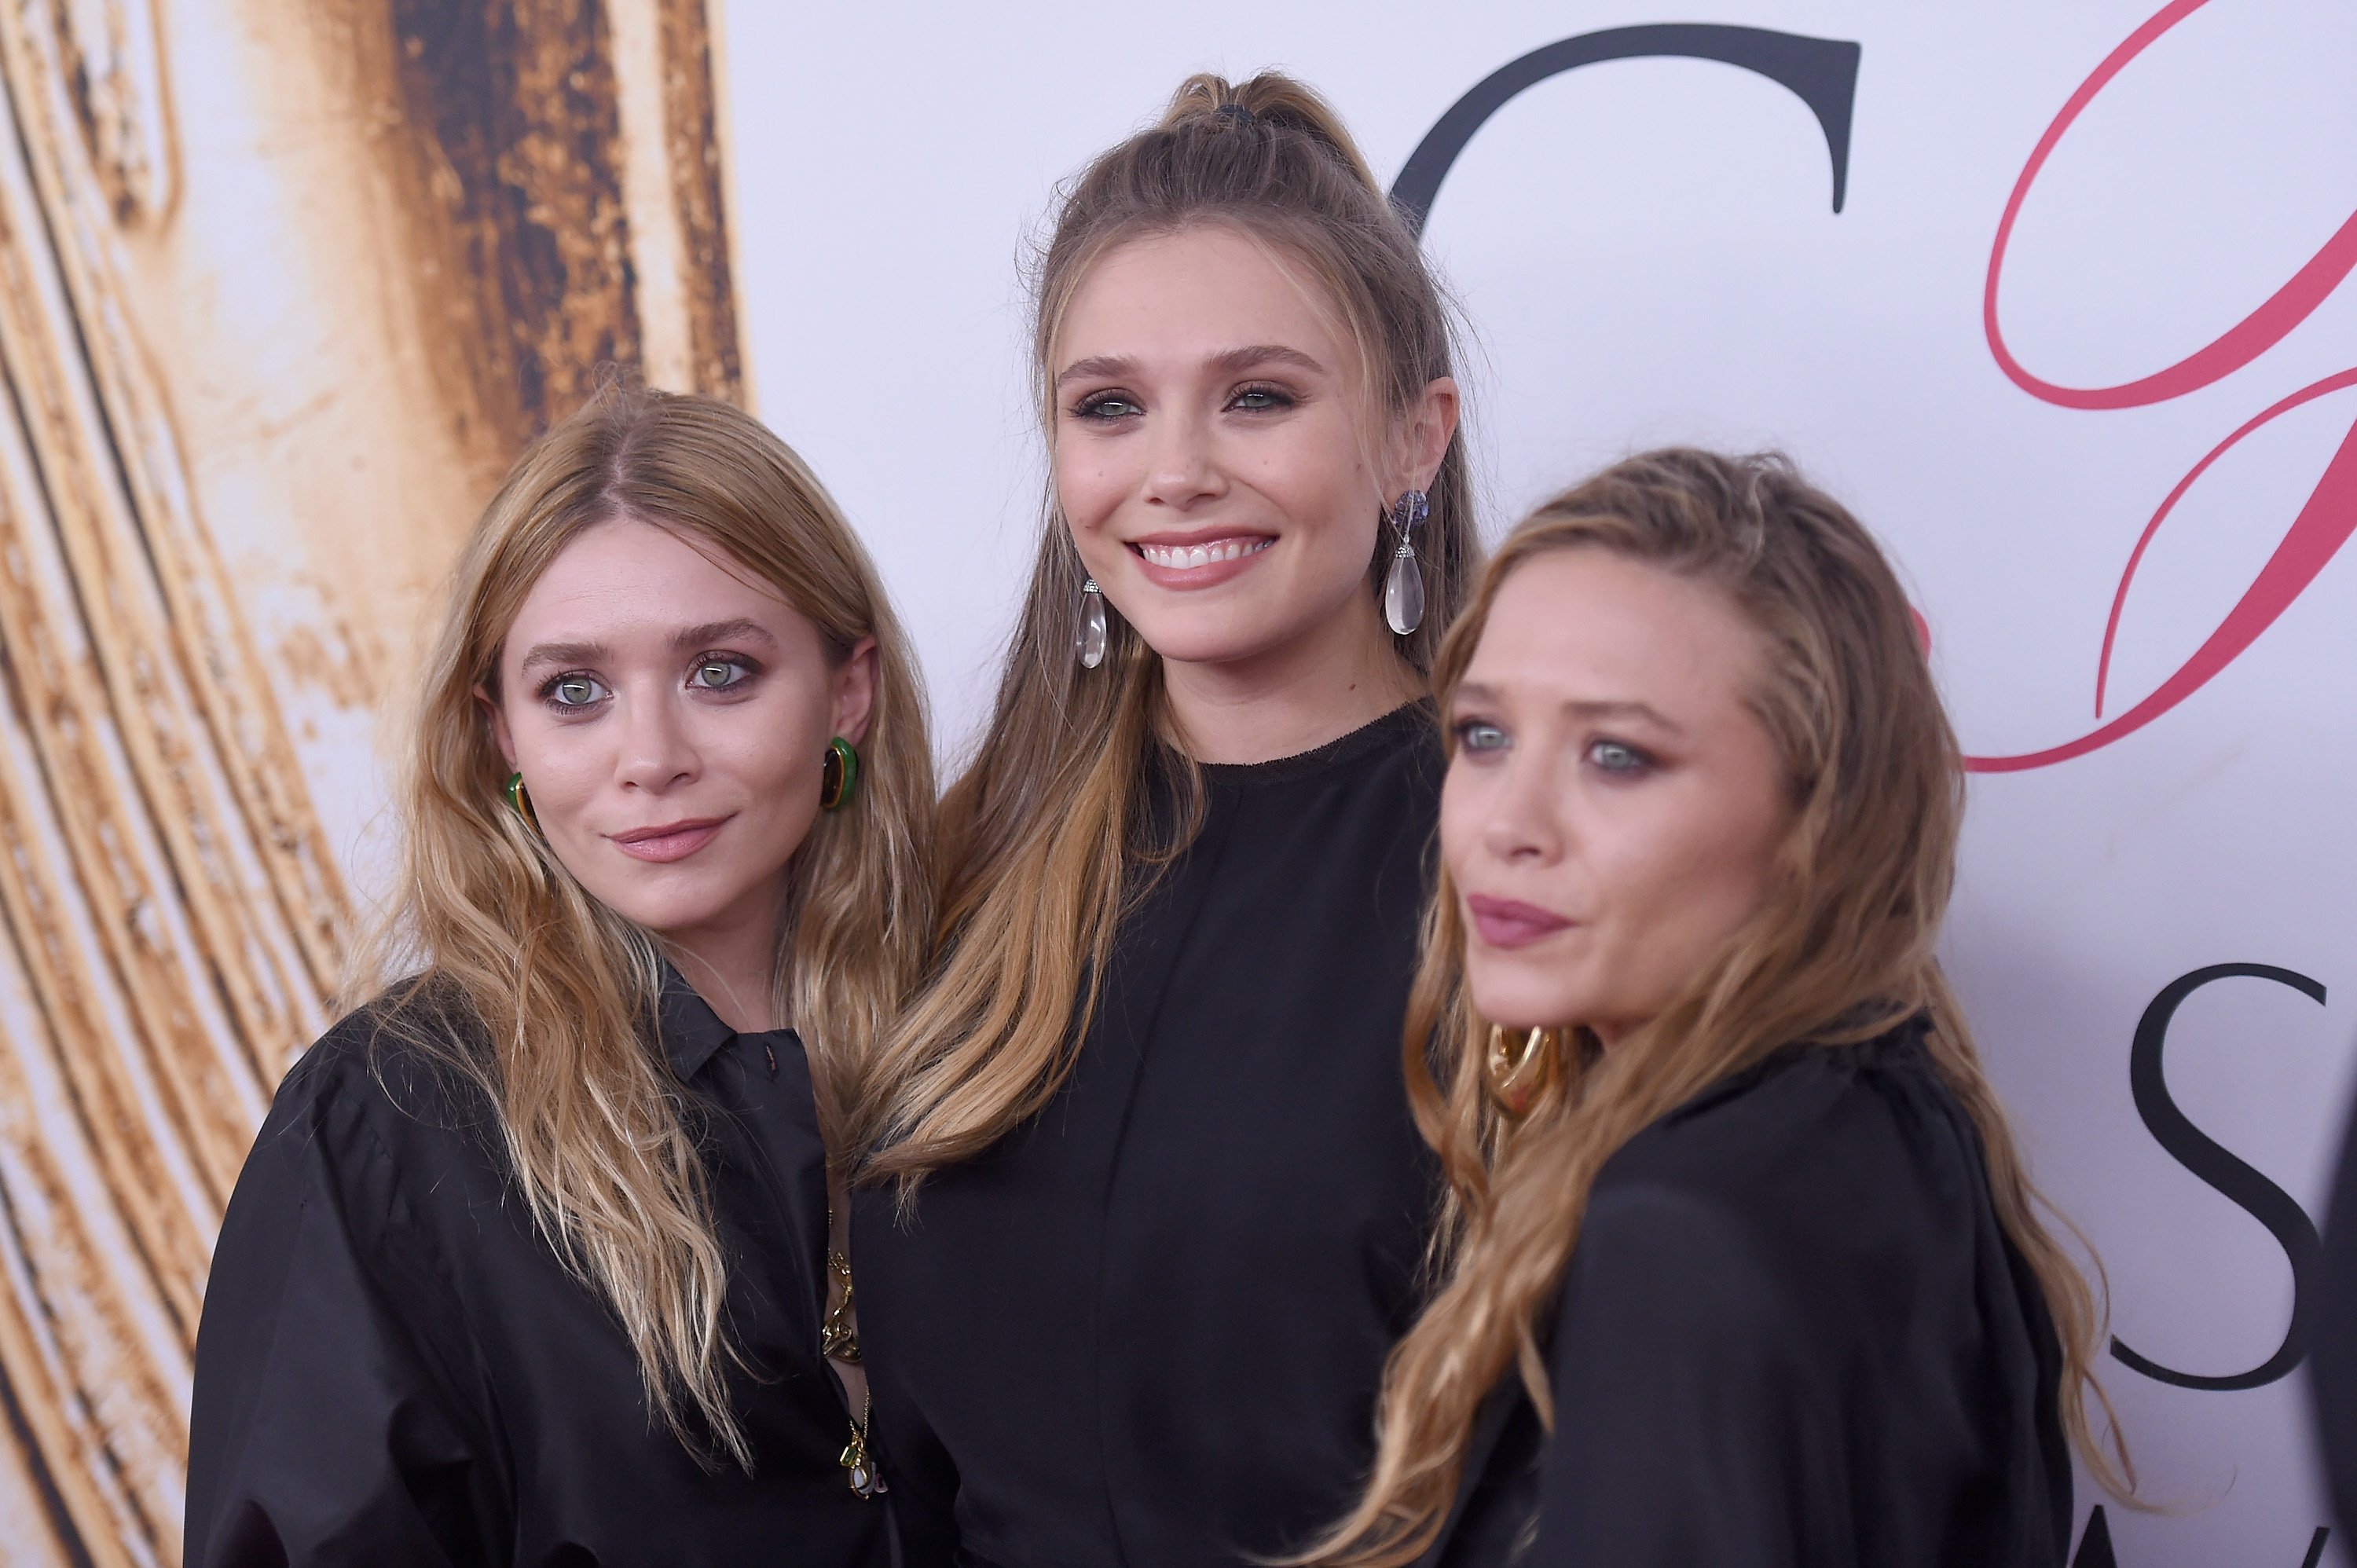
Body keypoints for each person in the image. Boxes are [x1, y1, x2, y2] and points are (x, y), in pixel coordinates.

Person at [849, 71, 1475, 1566]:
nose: (1176, 472)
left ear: (1413, 437)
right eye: (1110, 407)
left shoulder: (1530, 863)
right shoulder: (964, 863)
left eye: (1259, 396)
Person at [1307, 449, 2132, 1567]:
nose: (1509, 824)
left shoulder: (1685, 1228)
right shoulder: (1899, 1110)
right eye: (1483, 736)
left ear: (1815, 820)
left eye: (1617, 756)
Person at [185, 387, 934, 1566]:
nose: (650, 760)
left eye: (722, 672)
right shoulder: (389, 1123)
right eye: (573, 691)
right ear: (502, 736)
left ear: (848, 690)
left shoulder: (989, 1032)